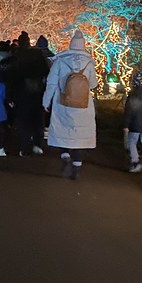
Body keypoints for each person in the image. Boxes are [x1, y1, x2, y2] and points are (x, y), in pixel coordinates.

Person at [42, 30, 98, 179]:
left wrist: (46, 102)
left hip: (63, 103)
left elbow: (51, 83)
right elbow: (93, 84)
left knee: (62, 133)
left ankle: (65, 156)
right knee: (79, 137)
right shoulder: (89, 64)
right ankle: (77, 168)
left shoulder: (60, 62)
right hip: (83, 105)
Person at [9, 31, 50, 156]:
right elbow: (45, 71)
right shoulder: (37, 54)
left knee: (23, 120)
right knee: (37, 119)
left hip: (22, 92)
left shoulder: (16, 55)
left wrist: (10, 95)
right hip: (38, 90)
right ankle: (37, 144)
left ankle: (24, 146)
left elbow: (12, 77)